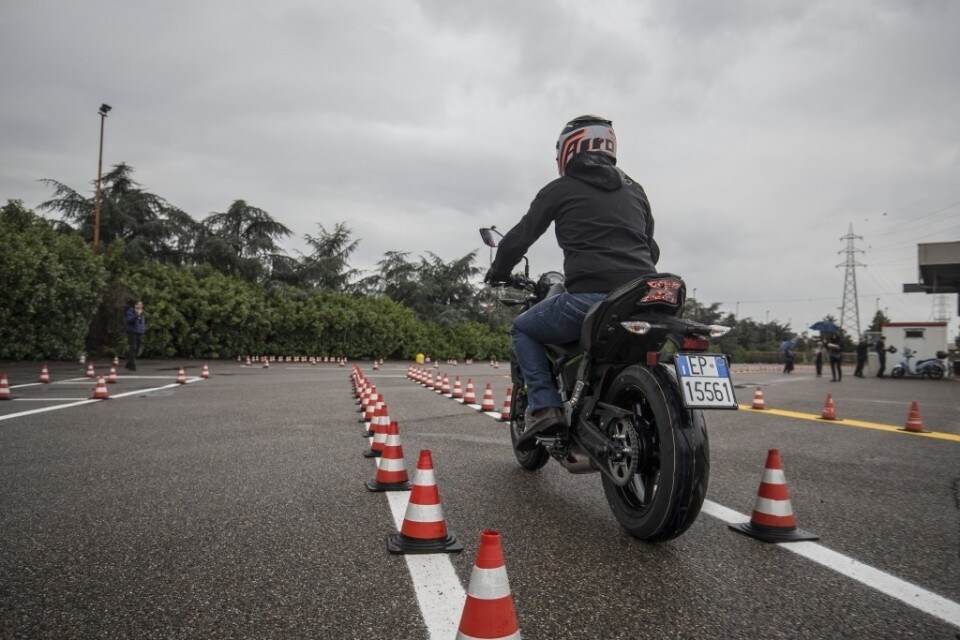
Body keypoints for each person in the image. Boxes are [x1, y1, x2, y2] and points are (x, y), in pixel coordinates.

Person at [485, 115, 658, 450]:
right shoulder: (635, 190)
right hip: (642, 295)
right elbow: (650, 246)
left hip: (589, 297)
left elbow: (520, 238)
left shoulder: (560, 189)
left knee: (523, 328)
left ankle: (546, 408)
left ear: (569, 149)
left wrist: (498, 271)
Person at [124, 300, 146, 371]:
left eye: (141, 305)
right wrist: (137, 315)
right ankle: (132, 365)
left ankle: (129, 363)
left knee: (137, 349)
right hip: (132, 331)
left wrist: (143, 329)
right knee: (133, 348)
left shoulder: (142, 313)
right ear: (135, 305)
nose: (140, 306)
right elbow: (129, 320)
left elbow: (141, 322)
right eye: (138, 305)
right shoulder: (130, 312)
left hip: (139, 332)